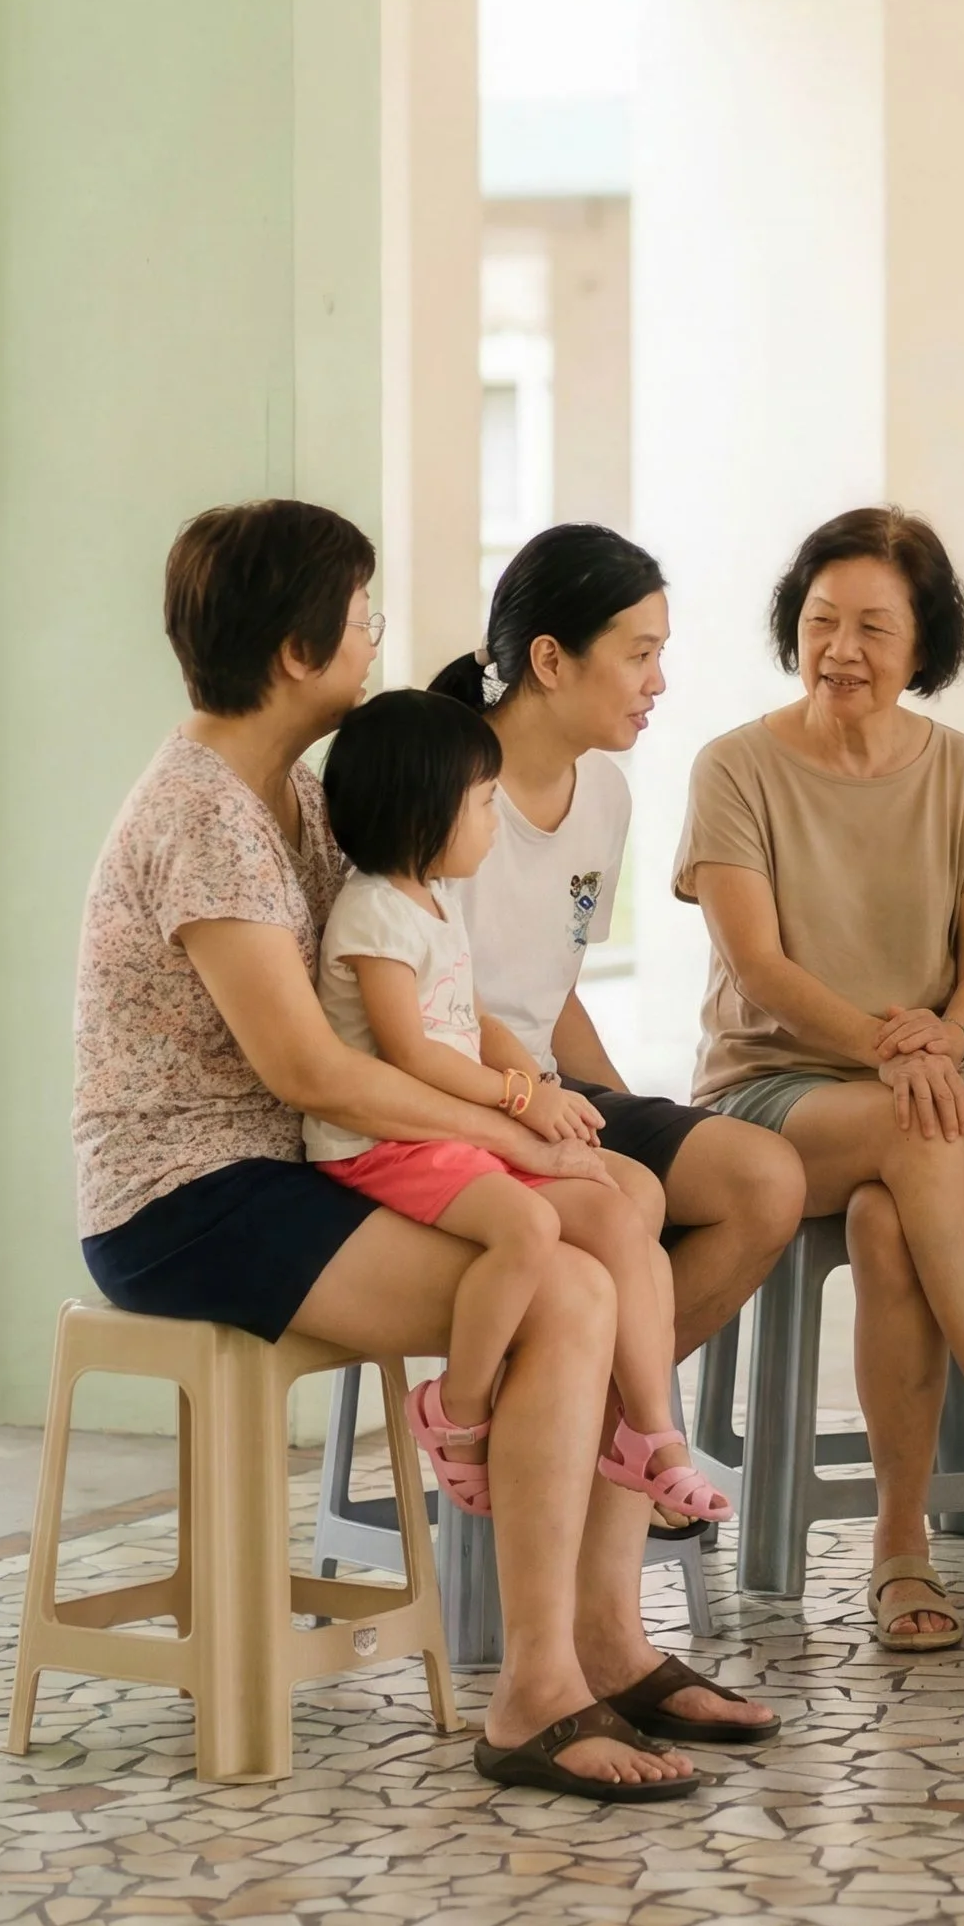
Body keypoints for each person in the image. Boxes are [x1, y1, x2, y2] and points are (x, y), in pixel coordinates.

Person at [71, 501, 753, 1801]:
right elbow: (310, 1068)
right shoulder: (205, 813)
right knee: (564, 1281)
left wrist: (531, 1117)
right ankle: (540, 1688)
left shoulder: (302, 799)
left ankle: (584, 1653)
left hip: (293, 1165)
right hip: (185, 1195)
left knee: (598, 1238)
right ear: (295, 650)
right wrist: (516, 1123)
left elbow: (396, 1020)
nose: (379, 637)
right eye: (364, 617)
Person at [676, 506, 964, 1650]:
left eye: (875, 626)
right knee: (913, 1137)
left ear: (923, 647)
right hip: (771, 1092)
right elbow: (760, 968)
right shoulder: (735, 766)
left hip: (927, 1087)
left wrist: (937, 1038)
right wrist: (896, 1044)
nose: (843, 649)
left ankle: (898, 1547)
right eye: (823, 620)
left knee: (893, 1218)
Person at [435, 522, 807, 1617]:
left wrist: (628, 1104)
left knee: (760, 1179)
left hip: (548, 1078)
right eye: (637, 652)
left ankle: (578, 1428)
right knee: (627, 1201)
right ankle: (602, 1442)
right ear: (550, 659)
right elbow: (431, 1008)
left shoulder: (605, 796)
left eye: (662, 650)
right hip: (459, 1095)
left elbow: (551, 982)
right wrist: (535, 1104)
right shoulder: (442, 783)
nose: (659, 680)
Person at [304, 688, 730, 1531]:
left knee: (621, 1203)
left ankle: (649, 1433)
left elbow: (475, 1020)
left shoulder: (434, 898)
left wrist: (542, 1090)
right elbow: (413, 1054)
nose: (496, 818)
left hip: (449, 1130)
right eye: (483, 800)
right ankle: (456, 1406)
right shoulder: (373, 913)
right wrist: (517, 1097)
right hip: (384, 1141)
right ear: (425, 811)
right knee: (530, 1229)